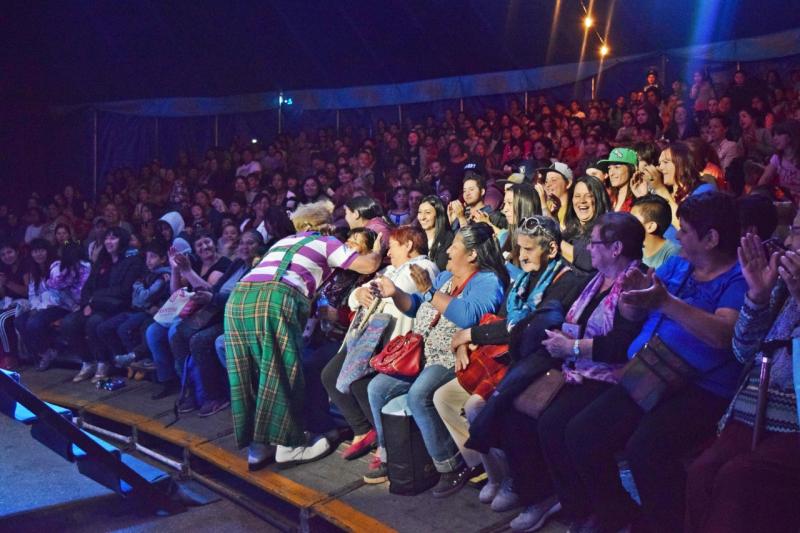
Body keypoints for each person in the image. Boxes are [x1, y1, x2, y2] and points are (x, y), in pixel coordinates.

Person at [564, 191, 747, 531]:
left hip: (701, 387)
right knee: (581, 434)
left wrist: (666, 303)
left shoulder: (737, 277)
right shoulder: (679, 263)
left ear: (711, 239)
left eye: (685, 230)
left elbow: (724, 335)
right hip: (649, 369)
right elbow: (637, 307)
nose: (677, 236)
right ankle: (618, 513)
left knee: (646, 450)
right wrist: (631, 297)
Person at [475, 212, 647, 531]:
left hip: (611, 377)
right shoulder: (596, 279)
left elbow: (621, 345)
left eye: (594, 243)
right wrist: (565, 342)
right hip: (576, 369)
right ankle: (554, 498)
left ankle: (599, 510)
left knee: (564, 427)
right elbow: (575, 323)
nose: (587, 249)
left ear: (616, 248)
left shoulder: (636, 282)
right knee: (519, 414)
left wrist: (573, 347)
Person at [435, 215, 586, 506]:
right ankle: (496, 476)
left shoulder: (567, 282)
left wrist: (470, 333)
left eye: (529, 249)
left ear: (552, 250)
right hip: (508, 361)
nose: (522, 255)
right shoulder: (523, 281)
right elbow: (505, 322)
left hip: (544, 368)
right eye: (520, 248)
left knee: (479, 407)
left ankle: (520, 485)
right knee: (444, 397)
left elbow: (528, 329)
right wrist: (470, 339)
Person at [224, 201, 382, 470]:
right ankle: (289, 446)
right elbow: (367, 265)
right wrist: (378, 247)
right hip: (274, 298)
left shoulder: (281, 243)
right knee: (282, 369)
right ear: (316, 226)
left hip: (238, 300)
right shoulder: (325, 241)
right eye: (328, 223)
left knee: (249, 370)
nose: (332, 228)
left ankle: (258, 448)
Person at [365, 223, 508, 494]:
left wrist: (431, 292)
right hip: (421, 353)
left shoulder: (487, 280)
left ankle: (451, 466)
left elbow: (470, 317)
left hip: (450, 358)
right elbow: (415, 307)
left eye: (455, 246)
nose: (448, 250)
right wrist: (395, 292)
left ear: (472, 254)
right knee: (377, 388)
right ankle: (390, 455)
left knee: (420, 394)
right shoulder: (444, 277)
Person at [685, 226, 800, 533]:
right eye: (791, 231)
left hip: (793, 421)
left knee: (739, 477)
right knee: (702, 472)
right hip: (750, 409)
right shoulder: (783, 286)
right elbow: (742, 350)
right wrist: (758, 297)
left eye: (798, 232)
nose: (788, 241)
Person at [321, 226, 439, 461]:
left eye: (393, 246)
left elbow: (399, 293)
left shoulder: (423, 267)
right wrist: (359, 296)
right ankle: (367, 432)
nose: (388, 252)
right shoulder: (390, 268)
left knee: (360, 382)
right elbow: (361, 293)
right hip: (371, 337)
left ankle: (383, 442)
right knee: (331, 375)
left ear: (408, 246)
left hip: (399, 342)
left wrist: (376, 293)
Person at [64, 227, 144, 383]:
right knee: (68, 323)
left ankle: (103, 363)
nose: (109, 242)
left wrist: (94, 300)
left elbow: (123, 290)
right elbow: (87, 287)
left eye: (113, 238)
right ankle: (87, 362)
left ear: (122, 240)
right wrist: (87, 302)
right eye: (107, 238)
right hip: (94, 305)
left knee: (93, 322)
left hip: (115, 307)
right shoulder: (102, 261)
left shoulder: (131, 261)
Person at [20, 241, 91, 371]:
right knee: (20, 320)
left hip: (60, 305)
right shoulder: (33, 271)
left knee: (34, 323)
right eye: (35, 251)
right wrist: (36, 307)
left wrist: (43, 306)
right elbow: (32, 294)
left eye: (41, 250)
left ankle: (49, 352)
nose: (38, 254)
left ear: (48, 251)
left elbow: (58, 290)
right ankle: (42, 353)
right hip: (43, 305)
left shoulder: (57, 266)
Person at [561, 175, 612, 274]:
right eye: (577, 196)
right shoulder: (568, 232)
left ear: (600, 199)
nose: (582, 201)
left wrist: (557, 243)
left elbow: (590, 261)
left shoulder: (607, 231)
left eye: (589, 196)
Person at [631, 194, 681, 268]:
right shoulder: (633, 250)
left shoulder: (673, 254)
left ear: (651, 227)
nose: (627, 223)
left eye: (632, 220)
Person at [756, 119, 800, 203]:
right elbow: (764, 181)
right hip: (785, 201)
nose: (775, 138)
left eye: (779, 134)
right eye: (774, 135)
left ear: (791, 136)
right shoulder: (777, 158)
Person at [416, 195, 454, 272]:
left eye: (427, 212)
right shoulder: (416, 239)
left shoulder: (447, 238)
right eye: (420, 212)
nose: (422, 217)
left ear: (438, 215)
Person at [596, 148, 638, 213]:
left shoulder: (639, 198)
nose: (611, 173)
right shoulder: (607, 197)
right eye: (609, 168)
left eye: (617, 167)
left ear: (631, 169)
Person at [539, 162, 573, 228]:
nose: (548, 185)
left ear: (568, 183)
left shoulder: (572, 209)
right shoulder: (548, 204)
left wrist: (543, 204)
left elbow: (557, 233)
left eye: (553, 180)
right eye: (546, 181)